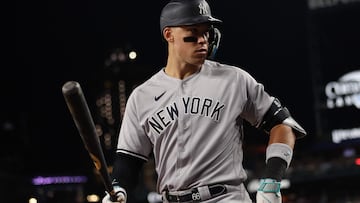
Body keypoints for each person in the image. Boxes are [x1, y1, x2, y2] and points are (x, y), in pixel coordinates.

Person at [102, 0, 306, 202]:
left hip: (226, 197)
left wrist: (272, 181)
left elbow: (283, 125)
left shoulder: (233, 79)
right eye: (193, 31)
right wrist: (118, 188)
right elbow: (129, 160)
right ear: (169, 35)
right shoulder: (142, 96)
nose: (203, 40)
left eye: (206, 31)